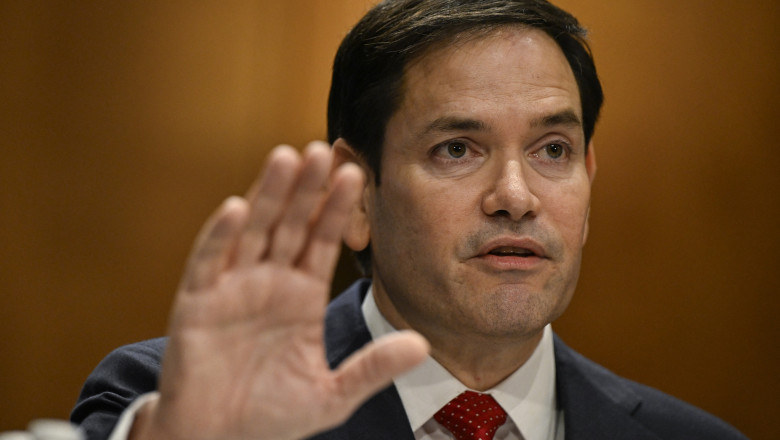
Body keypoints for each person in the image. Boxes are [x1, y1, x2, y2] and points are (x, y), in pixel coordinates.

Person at [71, 1, 747, 439]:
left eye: (552, 151)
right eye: (457, 149)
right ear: (357, 194)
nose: (516, 196)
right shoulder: (175, 403)